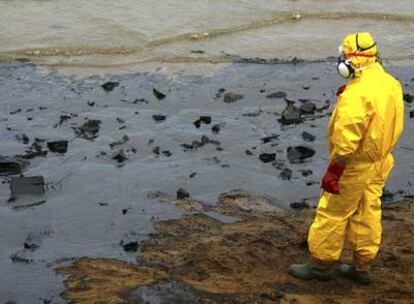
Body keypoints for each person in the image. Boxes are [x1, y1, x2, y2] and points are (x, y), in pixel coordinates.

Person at [288, 32, 405, 284]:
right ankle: (362, 267)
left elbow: (346, 140)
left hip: (355, 165)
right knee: (368, 209)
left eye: (343, 56)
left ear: (351, 60)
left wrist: (335, 170)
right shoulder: (390, 83)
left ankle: (321, 264)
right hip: (381, 160)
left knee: (332, 212)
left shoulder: (356, 95)